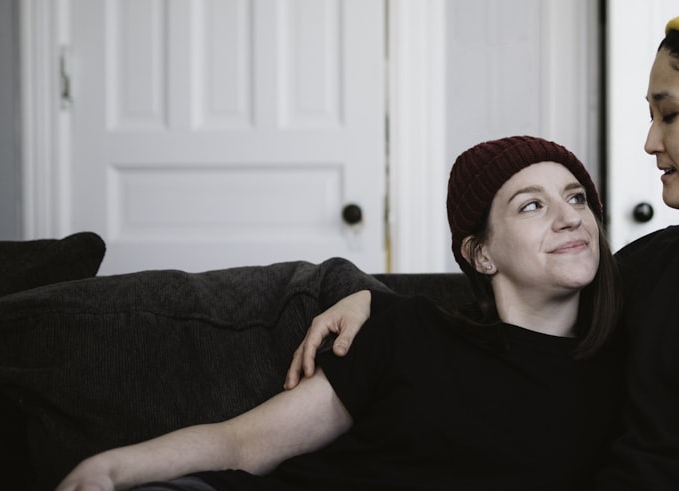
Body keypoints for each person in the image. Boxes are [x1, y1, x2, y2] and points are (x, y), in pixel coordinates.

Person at [285, 0, 679, 491]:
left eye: (669, 114)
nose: (650, 142)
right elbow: (504, 326)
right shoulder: (657, 264)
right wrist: (368, 298)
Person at [56, 136, 625, 491]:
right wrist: (113, 468)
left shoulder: (630, 366)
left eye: (577, 198)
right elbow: (245, 444)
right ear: (480, 253)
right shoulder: (408, 330)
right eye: (532, 205)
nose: (569, 216)